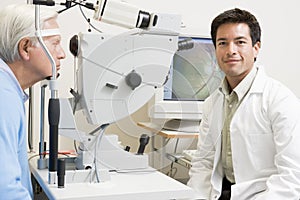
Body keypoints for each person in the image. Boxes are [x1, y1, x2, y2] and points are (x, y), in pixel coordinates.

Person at [187, 8, 300, 200]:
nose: (231, 50)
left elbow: (293, 176)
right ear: (215, 50)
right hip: (223, 193)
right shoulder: (212, 103)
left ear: (256, 48)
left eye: (240, 42)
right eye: (223, 43)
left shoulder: (280, 100)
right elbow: (202, 164)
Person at [0, 4, 65, 199]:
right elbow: (6, 190)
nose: (62, 53)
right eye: (55, 43)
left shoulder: (9, 89)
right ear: (25, 47)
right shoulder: (4, 97)